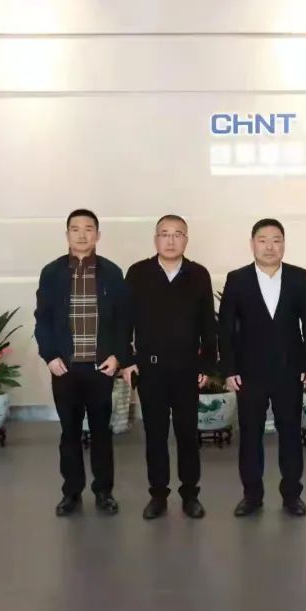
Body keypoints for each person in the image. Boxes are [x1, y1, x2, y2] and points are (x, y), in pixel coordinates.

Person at [218, 219, 306, 518]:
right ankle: (252, 496)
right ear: (253, 244)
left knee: (291, 434)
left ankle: (292, 495)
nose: (270, 246)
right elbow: (225, 329)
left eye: (276, 240)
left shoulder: (298, 277)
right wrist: (229, 369)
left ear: (283, 244)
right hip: (249, 373)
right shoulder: (238, 279)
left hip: (290, 371)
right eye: (263, 240)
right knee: (250, 436)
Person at [34, 209, 129, 517]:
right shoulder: (52, 273)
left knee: (102, 432)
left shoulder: (112, 273)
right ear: (67, 235)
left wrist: (117, 355)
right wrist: (50, 355)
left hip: (101, 368)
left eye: (89, 229)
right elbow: (43, 320)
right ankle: (71, 492)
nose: (82, 234)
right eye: (75, 229)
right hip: (66, 368)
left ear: (97, 235)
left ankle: (104, 492)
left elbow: (123, 321)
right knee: (69, 433)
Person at [121, 215, 216, 520]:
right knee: (155, 435)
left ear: (186, 240)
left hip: (187, 370)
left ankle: (190, 494)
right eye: (164, 234)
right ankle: (158, 495)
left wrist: (207, 364)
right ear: (156, 239)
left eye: (177, 234)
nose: (171, 240)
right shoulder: (138, 273)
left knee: (188, 434)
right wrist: (127, 360)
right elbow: (123, 321)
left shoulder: (198, 274)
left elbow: (208, 324)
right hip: (150, 371)